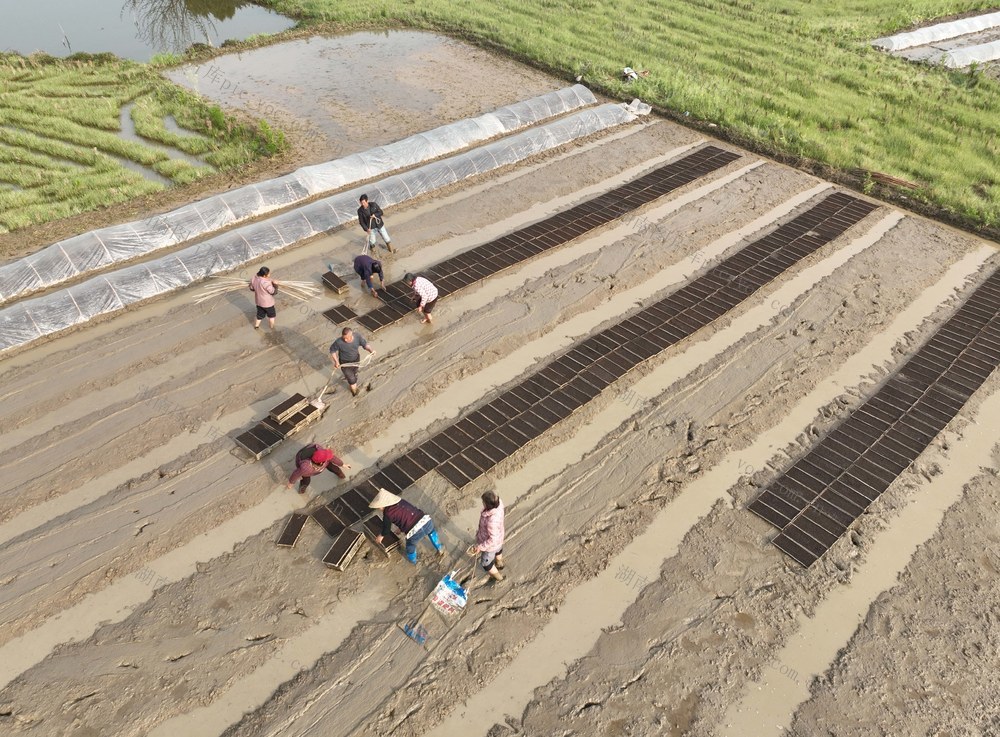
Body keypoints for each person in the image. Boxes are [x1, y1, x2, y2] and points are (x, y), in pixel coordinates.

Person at [370, 488, 444, 564]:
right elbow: (406, 516)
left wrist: (380, 536)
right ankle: (439, 548)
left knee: (410, 546)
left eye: (379, 506)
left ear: (383, 505)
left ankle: (414, 561)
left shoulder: (387, 514)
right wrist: (400, 528)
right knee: (431, 531)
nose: (379, 508)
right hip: (426, 521)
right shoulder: (401, 501)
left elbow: (386, 529)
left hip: (415, 532)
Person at [469, 490, 505, 582]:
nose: (482, 504)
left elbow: (492, 539)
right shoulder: (499, 504)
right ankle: (499, 562)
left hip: (490, 546)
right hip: (500, 537)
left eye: (483, 502)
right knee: (498, 550)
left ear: (487, 505)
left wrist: (480, 547)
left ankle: (498, 578)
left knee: (486, 563)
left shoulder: (491, 521)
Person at [286, 444, 351, 494]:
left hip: (316, 461)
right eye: (327, 459)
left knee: (334, 468)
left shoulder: (321, 452)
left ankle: (341, 475)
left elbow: (333, 458)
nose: (329, 458)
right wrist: (291, 483)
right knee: (306, 481)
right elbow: (296, 474)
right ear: (321, 463)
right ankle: (302, 490)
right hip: (307, 466)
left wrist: (343, 465)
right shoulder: (305, 468)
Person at [329, 327, 375, 397]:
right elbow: (332, 351)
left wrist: (371, 351)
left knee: (355, 372)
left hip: (356, 359)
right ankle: (354, 391)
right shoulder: (339, 342)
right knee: (352, 379)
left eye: (347, 338)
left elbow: (365, 345)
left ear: (351, 335)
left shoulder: (357, 337)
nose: (345, 339)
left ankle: (350, 377)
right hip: (345, 363)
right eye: (344, 338)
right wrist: (336, 362)